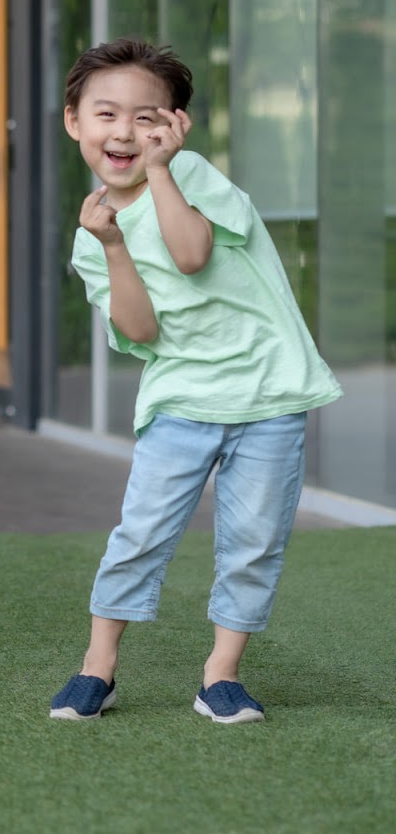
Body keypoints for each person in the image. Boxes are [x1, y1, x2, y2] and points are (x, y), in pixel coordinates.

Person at [48, 38, 342, 724]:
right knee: (141, 533)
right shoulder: (91, 232)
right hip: (180, 401)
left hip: (270, 392)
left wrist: (160, 172)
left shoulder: (193, 176)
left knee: (254, 541)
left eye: (147, 116)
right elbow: (142, 331)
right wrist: (112, 243)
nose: (125, 132)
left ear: (175, 124)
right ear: (74, 122)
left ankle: (221, 675)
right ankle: (99, 668)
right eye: (106, 114)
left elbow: (189, 253)